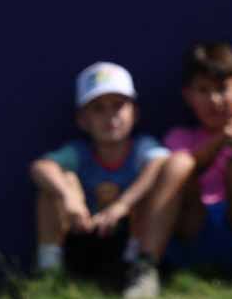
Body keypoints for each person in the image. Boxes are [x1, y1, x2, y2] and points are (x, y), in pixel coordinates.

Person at [130, 43, 232, 292]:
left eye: (222, 89)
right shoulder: (178, 137)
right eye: (203, 90)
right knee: (179, 162)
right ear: (189, 96)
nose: (214, 100)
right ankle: (146, 267)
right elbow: (184, 166)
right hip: (193, 230)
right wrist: (221, 139)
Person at [30, 62, 171, 297]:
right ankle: (49, 271)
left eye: (118, 106)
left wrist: (122, 205)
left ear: (134, 113)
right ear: (82, 120)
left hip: (129, 242)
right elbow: (40, 167)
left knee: (150, 186)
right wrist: (70, 199)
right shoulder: (78, 152)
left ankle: (137, 268)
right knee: (61, 181)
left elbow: (160, 164)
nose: (110, 116)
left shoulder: (143, 148)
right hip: (83, 235)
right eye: (98, 108)